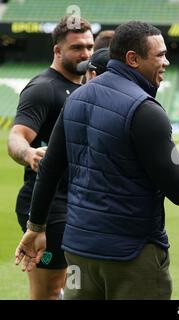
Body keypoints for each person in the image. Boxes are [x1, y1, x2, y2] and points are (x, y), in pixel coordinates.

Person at [14, 21, 179, 300]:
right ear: (133, 58)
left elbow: (50, 169)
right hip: (129, 255)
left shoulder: (77, 98)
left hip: (78, 252)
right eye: (160, 55)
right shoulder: (145, 110)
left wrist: (35, 228)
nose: (167, 62)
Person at [7, 16, 93, 300]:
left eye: (90, 46)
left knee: (75, 288)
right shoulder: (44, 88)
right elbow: (16, 136)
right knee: (48, 292)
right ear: (58, 51)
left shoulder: (85, 88)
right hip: (47, 206)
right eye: (77, 47)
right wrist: (29, 153)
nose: (86, 53)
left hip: (78, 201)